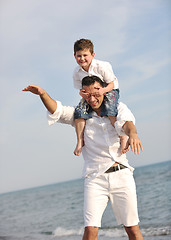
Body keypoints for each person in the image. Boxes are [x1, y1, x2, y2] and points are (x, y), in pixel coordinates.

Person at [23, 75, 144, 240]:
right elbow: (57, 111)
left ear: (102, 90)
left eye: (96, 93)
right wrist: (43, 94)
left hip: (121, 174)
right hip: (95, 178)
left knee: (132, 229)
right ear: (82, 93)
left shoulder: (117, 108)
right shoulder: (79, 114)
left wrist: (134, 134)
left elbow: (127, 123)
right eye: (88, 94)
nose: (92, 98)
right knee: (91, 229)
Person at [73, 38, 127, 156]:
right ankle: (80, 141)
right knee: (79, 112)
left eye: (85, 55)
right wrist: (83, 94)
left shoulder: (102, 66)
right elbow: (80, 90)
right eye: (79, 56)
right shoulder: (76, 73)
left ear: (92, 55)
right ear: (74, 56)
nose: (82, 59)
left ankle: (122, 136)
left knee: (109, 109)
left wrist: (103, 91)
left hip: (108, 90)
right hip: (90, 94)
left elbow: (112, 84)